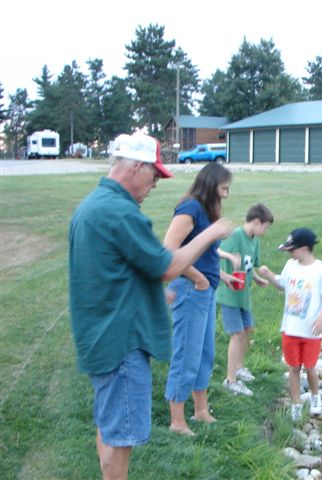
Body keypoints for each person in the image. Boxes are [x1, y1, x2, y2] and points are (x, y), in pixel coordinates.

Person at [69, 133, 233, 480]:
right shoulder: (119, 212)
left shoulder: (93, 205)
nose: (156, 184)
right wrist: (210, 233)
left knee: (108, 425)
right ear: (136, 166)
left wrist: (152, 293)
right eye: (155, 175)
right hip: (121, 341)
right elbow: (167, 267)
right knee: (120, 438)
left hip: (99, 334)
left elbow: (112, 270)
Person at [163, 162, 239, 436]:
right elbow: (168, 252)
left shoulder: (205, 212)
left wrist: (221, 276)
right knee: (187, 354)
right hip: (189, 290)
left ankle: (200, 411)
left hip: (205, 291)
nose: (226, 195)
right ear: (210, 185)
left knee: (205, 353)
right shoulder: (190, 208)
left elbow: (202, 254)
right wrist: (198, 279)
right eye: (223, 188)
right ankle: (177, 421)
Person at [258, 228, 322, 421]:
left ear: (305, 249)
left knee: (310, 367)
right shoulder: (290, 265)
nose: (289, 253)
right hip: (291, 328)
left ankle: (315, 397)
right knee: (293, 368)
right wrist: (269, 275)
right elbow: (282, 284)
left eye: (292, 249)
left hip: (311, 331)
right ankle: (296, 404)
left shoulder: (321, 269)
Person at [217, 203, 274, 396]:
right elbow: (214, 254)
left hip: (244, 296)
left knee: (247, 328)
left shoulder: (254, 240)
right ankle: (230, 380)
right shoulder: (235, 236)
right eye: (266, 226)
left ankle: (239, 367)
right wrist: (227, 265)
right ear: (257, 222)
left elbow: (249, 265)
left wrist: (256, 278)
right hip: (229, 294)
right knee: (237, 333)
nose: (266, 231)